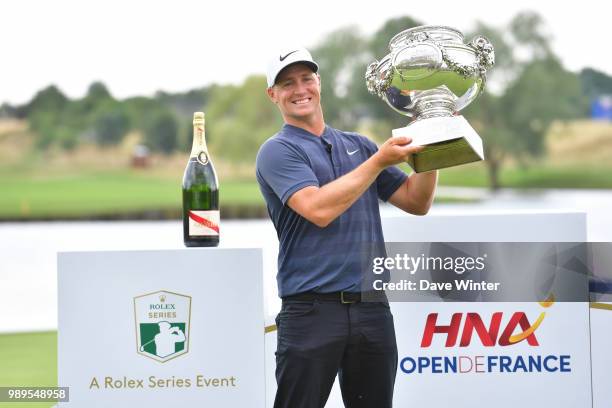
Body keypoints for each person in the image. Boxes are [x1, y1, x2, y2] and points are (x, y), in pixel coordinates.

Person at [256, 47, 437, 408]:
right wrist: (378, 161)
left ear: (318, 83)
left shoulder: (359, 145)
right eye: (287, 83)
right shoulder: (277, 151)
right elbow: (317, 209)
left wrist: (431, 145)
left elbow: (416, 202)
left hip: (372, 309)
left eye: (306, 78)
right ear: (273, 95)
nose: (300, 89)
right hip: (310, 311)